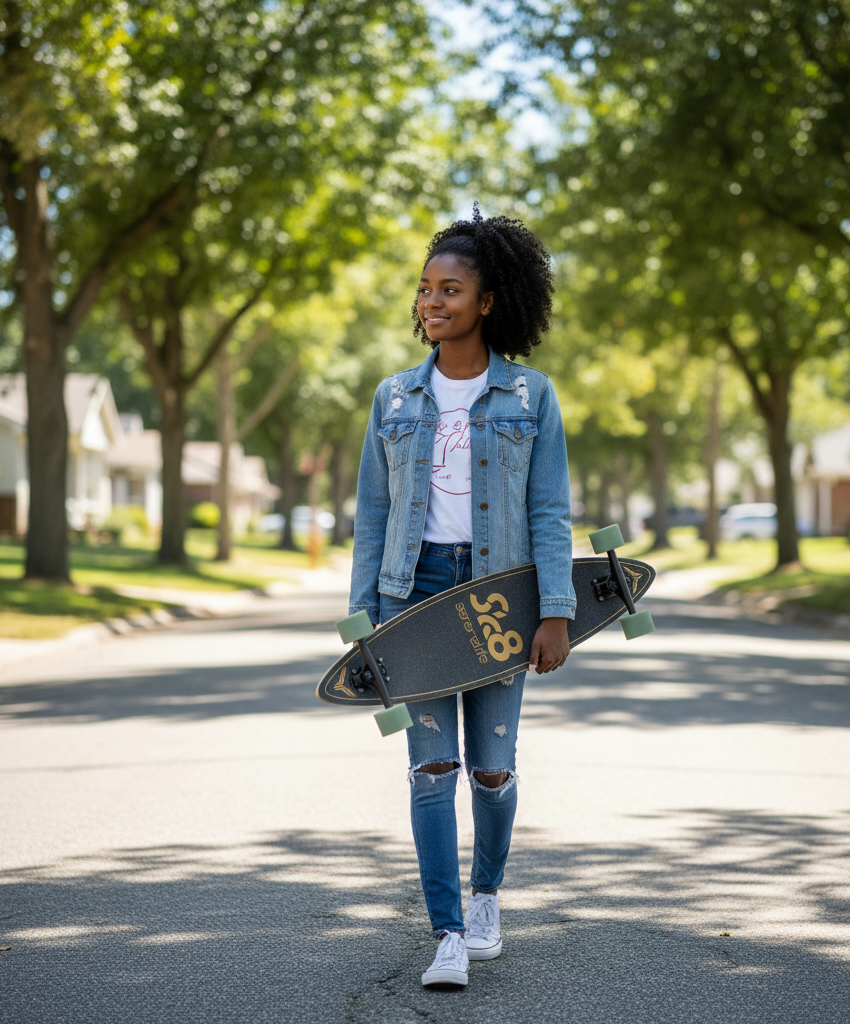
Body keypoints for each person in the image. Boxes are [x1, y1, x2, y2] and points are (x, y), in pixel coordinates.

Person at [348, 202, 575, 988]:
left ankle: (487, 900)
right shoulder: (395, 399)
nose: (432, 303)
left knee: (492, 769)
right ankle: (446, 934)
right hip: (413, 596)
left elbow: (548, 510)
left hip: (499, 597)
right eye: (425, 289)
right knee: (431, 770)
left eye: (450, 290)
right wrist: (362, 625)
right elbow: (371, 517)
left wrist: (556, 611)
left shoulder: (529, 395)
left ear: (487, 301)